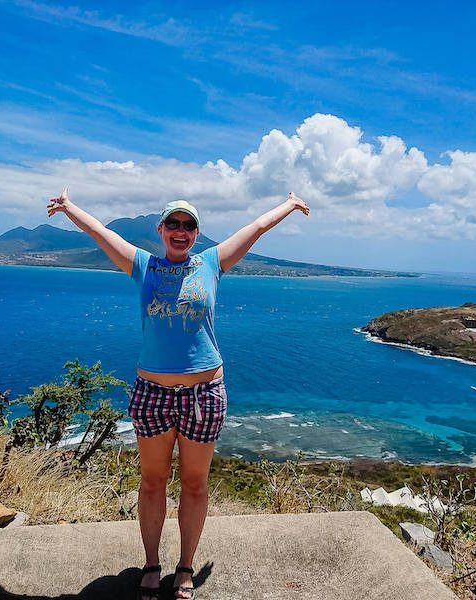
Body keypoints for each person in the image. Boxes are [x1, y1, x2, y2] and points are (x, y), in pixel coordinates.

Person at [47, 190, 309, 600]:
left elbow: (256, 227)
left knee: (194, 483)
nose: (181, 231)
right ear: (161, 230)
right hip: (152, 393)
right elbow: (99, 232)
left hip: (204, 393)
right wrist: (67, 208)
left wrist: (290, 204)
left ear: (198, 233)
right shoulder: (142, 264)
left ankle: (185, 566)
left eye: (189, 225)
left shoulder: (212, 263)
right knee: (152, 482)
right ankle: (152, 565)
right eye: (174, 224)